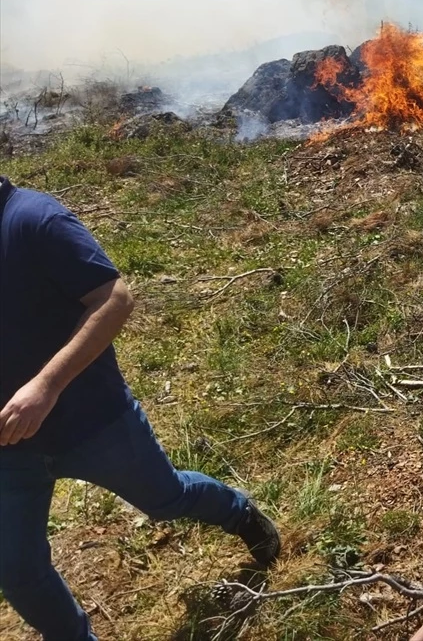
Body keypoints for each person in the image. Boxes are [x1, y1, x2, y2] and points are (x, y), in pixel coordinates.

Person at [0, 176, 280, 641]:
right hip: (10, 448)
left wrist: (45, 386)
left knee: (166, 499)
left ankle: (241, 514)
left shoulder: (34, 219)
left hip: (92, 421)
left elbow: (115, 299)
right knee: (17, 569)